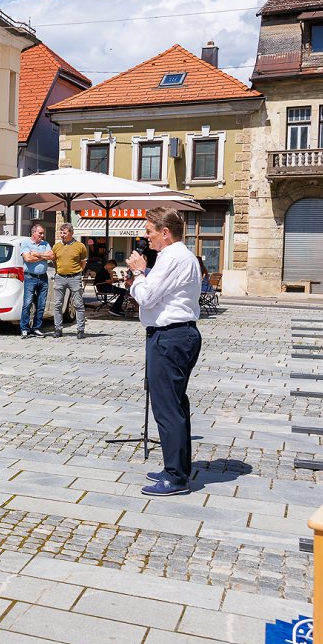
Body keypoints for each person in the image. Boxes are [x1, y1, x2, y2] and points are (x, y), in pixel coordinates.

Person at [126, 208, 202, 497]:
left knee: (167, 407)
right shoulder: (183, 256)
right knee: (175, 404)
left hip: (170, 337)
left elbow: (146, 297)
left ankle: (176, 477)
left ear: (165, 233)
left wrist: (138, 273)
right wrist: (144, 275)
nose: (147, 237)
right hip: (177, 335)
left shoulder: (172, 257)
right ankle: (177, 467)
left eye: (150, 231)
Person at [51, 224, 88, 339]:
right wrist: (59, 271)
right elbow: (54, 261)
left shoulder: (80, 246)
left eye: (65, 233)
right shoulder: (56, 246)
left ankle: (80, 330)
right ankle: (58, 329)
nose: (62, 235)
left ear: (71, 233)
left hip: (74, 277)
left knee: (78, 304)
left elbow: (83, 262)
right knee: (58, 304)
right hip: (60, 277)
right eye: (61, 233)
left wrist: (78, 272)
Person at [20, 224, 53, 339]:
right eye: (40, 233)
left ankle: (36, 328)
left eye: (43, 233)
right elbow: (28, 258)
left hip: (43, 277)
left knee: (41, 304)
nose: (42, 235)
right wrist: (44, 256)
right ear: (33, 233)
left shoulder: (46, 244)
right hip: (30, 277)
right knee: (27, 303)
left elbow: (51, 256)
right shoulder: (25, 243)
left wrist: (37, 254)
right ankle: (24, 328)